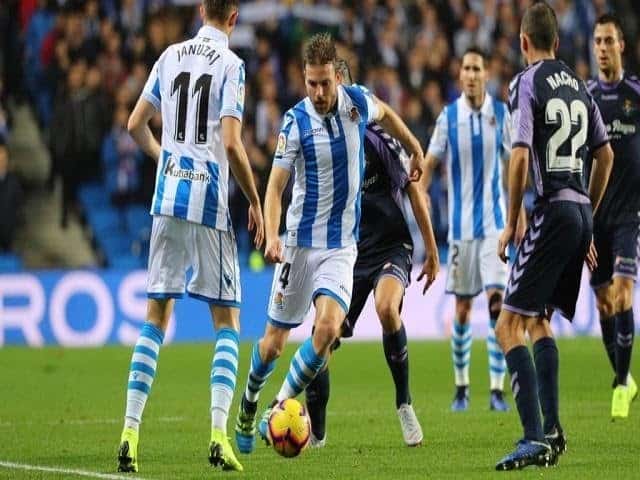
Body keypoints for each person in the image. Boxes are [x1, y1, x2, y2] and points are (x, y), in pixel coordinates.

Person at [233, 33, 426, 454]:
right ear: (303, 79)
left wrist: (413, 146)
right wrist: (270, 233)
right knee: (272, 345)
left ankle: (278, 407)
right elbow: (275, 186)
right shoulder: (294, 122)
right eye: (311, 84)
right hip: (299, 247)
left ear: (336, 77)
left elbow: (388, 113)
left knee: (326, 329)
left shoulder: (356, 102)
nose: (318, 93)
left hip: (341, 247)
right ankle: (247, 408)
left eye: (325, 84)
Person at [116, 0, 264, 473]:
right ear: (234, 17)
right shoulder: (233, 66)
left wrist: (164, 158)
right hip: (209, 203)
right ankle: (219, 435)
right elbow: (232, 143)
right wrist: (256, 200)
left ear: (201, 9)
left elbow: (135, 124)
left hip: (166, 200)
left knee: (156, 317)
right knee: (227, 321)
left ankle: (130, 432)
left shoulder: (169, 55)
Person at [494, 2, 613, 470]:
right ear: (557, 43)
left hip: (554, 209)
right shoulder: (581, 88)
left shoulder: (525, 82)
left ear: (524, 42)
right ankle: (554, 431)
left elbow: (521, 154)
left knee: (507, 325)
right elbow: (605, 156)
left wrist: (510, 221)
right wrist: (588, 213)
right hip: (581, 209)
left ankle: (531, 437)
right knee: (539, 320)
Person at [303, 59, 440, 448]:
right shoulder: (321, 141)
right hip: (347, 253)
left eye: (336, 87)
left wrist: (431, 250)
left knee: (386, 308)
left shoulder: (376, 139)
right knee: (321, 337)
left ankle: (404, 403)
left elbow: (413, 189)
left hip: (390, 246)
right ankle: (318, 431)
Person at [424, 47, 516, 412]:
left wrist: (516, 214)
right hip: (461, 230)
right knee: (462, 309)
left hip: (495, 225)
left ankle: (496, 389)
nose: (473, 74)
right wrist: (421, 193)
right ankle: (462, 386)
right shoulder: (448, 117)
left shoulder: (501, 113)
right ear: (460, 75)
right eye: (467, 68)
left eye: (478, 67)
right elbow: (430, 161)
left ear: (486, 74)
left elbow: (513, 164)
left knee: (497, 304)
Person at [587, 13, 639, 419]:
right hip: (596, 214)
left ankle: (621, 384)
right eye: (598, 41)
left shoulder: (635, 94)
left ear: (622, 46)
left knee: (623, 293)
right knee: (605, 303)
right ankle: (623, 374)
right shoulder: (585, 98)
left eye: (609, 41)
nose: (603, 48)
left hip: (628, 214)